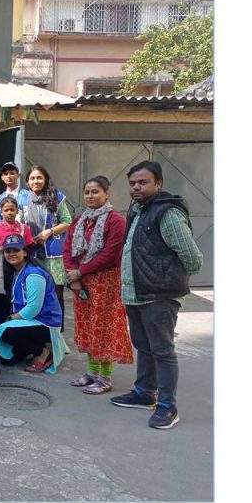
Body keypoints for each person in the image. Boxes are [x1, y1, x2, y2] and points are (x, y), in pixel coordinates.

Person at [110, 161, 202, 430]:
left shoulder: (167, 213)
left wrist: (167, 279)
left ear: (158, 184)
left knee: (162, 351)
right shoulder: (138, 210)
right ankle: (144, 392)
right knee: (144, 345)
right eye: (132, 183)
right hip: (136, 293)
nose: (136, 187)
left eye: (143, 182)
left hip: (159, 295)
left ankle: (167, 406)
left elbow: (193, 258)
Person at [63, 176, 131, 395]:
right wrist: (74, 278)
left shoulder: (115, 221)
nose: (90, 196)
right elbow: (67, 248)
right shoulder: (80, 220)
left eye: (95, 192)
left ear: (106, 194)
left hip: (106, 283)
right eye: (87, 192)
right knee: (88, 327)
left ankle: (105, 378)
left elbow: (111, 254)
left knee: (104, 328)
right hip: (82, 283)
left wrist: (80, 271)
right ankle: (91, 373)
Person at [0, 234, 67, 374]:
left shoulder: (33, 274)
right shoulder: (15, 271)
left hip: (44, 322)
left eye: (16, 250)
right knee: (7, 360)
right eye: (8, 251)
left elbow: (33, 308)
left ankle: (43, 352)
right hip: (28, 322)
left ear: (25, 252)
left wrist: (11, 318)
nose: (11, 254)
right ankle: (38, 345)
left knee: (5, 331)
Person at [17, 165, 72, 327]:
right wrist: (27, 237)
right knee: (33, 292)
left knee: (56, 293)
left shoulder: (57, 196)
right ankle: (38, 328)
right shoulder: (22, 198)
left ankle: (57, 331)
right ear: (27, 182)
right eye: (32, 178)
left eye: (39, 178)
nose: (36, 181)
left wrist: (49, 232)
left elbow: (67, 222)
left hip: (53, 254)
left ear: (46, 179)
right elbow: (19, 223)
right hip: (31, 251)